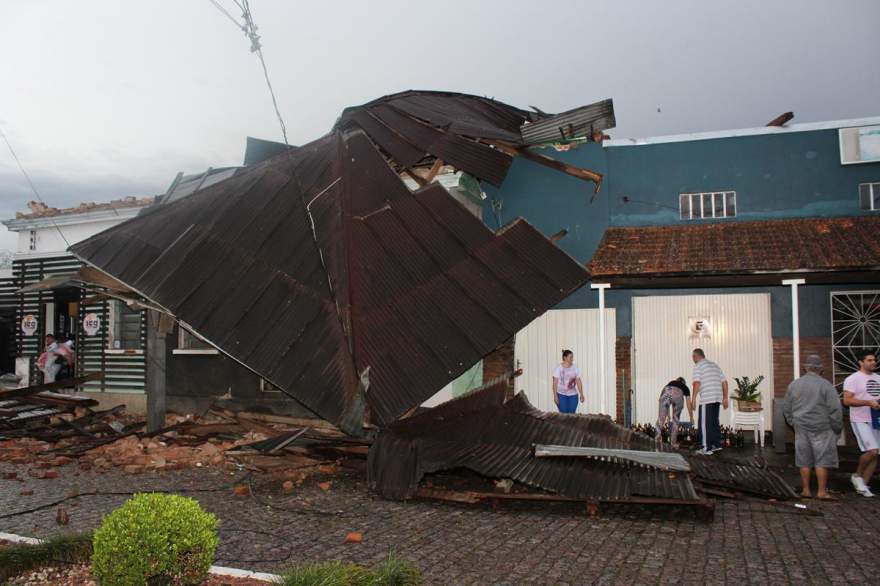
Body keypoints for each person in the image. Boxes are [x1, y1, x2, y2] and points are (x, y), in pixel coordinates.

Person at [782, 355, 843, 500]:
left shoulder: (794, 385)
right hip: (822, 427)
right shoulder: (826, 386)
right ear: (821, 369)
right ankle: (822, 492)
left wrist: (793, 423)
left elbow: (786, 408)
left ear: (805, 368)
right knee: (822, 459)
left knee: (803, 459)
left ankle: (806, 490)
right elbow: (835, 409)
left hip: (801, 427)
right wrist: (837, 427)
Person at [842, 350, 880, 498]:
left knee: (876, 454)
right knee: (872, 451)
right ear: (861, 362)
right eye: (869, 360)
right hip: (860, 419)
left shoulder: (878, 378)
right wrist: (867, 402)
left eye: (874, 360)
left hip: (876, 419)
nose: (873, 363)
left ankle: (863, 485)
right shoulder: (853, 379)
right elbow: (847, 400)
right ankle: (857, 476)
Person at [689, 348, 728, 455]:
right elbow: (724, 382)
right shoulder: (715, 365)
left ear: (696, 356)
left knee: (704, 424)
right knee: (714, 422)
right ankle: (716, 445)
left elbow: (697, 383)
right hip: (717, 398)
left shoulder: (698, 366)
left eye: (693, 357)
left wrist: (693, 399)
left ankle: (706, 448)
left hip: (707, 398)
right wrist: (725, 398)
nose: (692, 359)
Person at [657, 377, 693, 448]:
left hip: (666, 390)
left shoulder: (671, 382)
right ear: (684, 383)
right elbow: (688, 404)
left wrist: (667, 415)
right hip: (678, 394)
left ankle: (657, 439)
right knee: (675, 421)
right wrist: (691, 417)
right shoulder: (685, 387)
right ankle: (673, 443)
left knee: (661, 419)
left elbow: (668, 397)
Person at [552, 349, 584, 414]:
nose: (572, 359)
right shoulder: (559, 368)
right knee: (564, 415)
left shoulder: (575, 368)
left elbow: (578, 381)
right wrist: (555, 396)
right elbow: (555, 383)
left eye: (572, 357)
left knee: (572, 416)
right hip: (561, 395)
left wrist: (581, 394)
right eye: (570, 357)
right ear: (565, 358)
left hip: (573, 395)